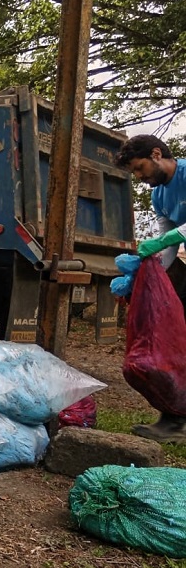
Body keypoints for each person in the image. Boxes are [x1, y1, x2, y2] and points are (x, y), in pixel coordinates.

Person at [114, 133, 186, 442]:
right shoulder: (159, 195)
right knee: (174, 338)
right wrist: (152, 270)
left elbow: (172, 237)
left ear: (157, 154)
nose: (140, 177)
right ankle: (175, 419)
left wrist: (165, 241)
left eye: (140, 168)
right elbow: (165, 237)